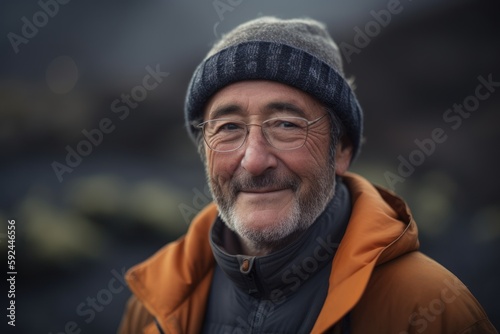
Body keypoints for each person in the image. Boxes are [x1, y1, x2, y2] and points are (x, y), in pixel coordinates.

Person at [117, 17, 497, 334]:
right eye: (229, 127)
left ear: (341, 150)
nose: (253, 160)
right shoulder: (155, 299)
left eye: (285, 124)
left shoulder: (428, 308)